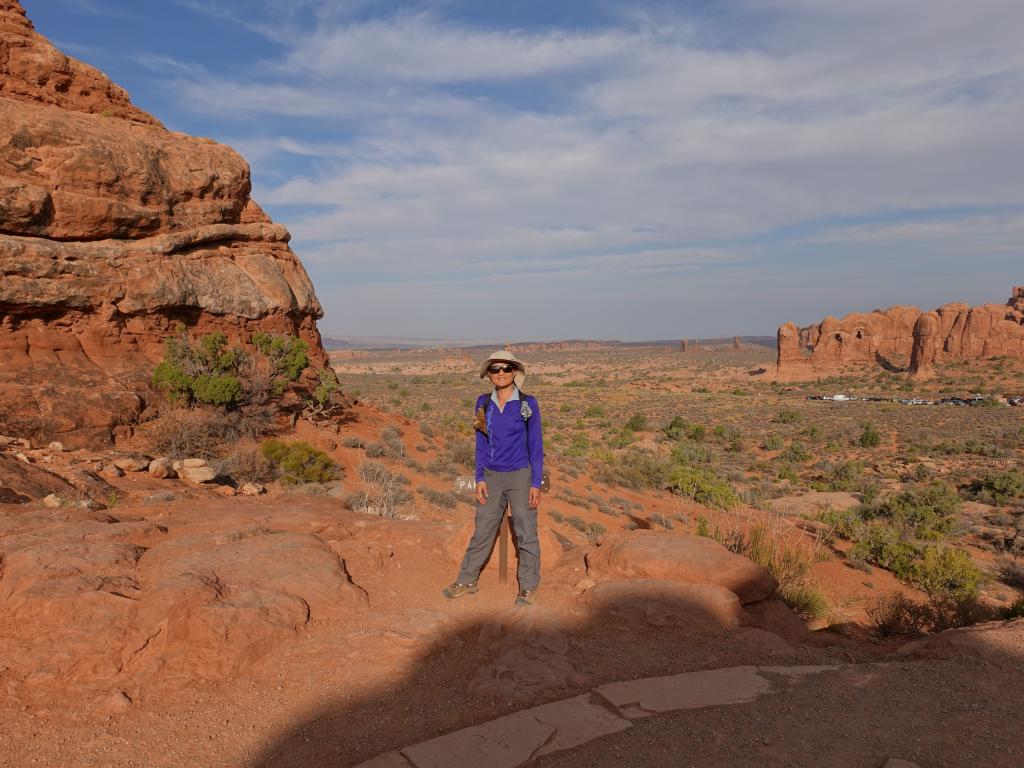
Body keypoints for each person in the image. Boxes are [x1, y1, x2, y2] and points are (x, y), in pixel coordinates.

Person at [443, 350, 544, 606]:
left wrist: (535, 483)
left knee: (526, 532)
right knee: (483, 529)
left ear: (514, 372)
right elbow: (480, 443)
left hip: (521, 475)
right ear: (489, 374)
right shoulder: (483, 403)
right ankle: (467, 580)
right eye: (495, 369)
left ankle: (528, 587)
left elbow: (536, 444)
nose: (501, 373)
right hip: (491, 476)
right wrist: (479, 477)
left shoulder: (527, 404)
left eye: (506, 368)